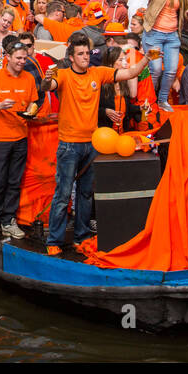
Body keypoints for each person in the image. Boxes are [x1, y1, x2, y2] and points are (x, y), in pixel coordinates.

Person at [39, 32, 147, 256]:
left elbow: (129, 73)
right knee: (63, 193)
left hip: (92, 144)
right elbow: (47, 87)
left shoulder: (98, 73)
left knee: (86, 193)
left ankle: (82, 236)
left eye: (87, 53)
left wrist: (148, 59)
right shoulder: (64, 75)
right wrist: (47, 78)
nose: (85, 57)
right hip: (69, 145)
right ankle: (54, 240)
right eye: (80, 54)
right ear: (71, 58)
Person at [0, 42, 38, 238]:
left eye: (24, 58)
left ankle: (8, 220)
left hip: (20, 136)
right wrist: (1, 105)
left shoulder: (29, 78)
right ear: (8, 58)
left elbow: (33, 103)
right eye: (18, 58)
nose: (22, 61)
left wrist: (31, 112)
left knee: (14, 180)